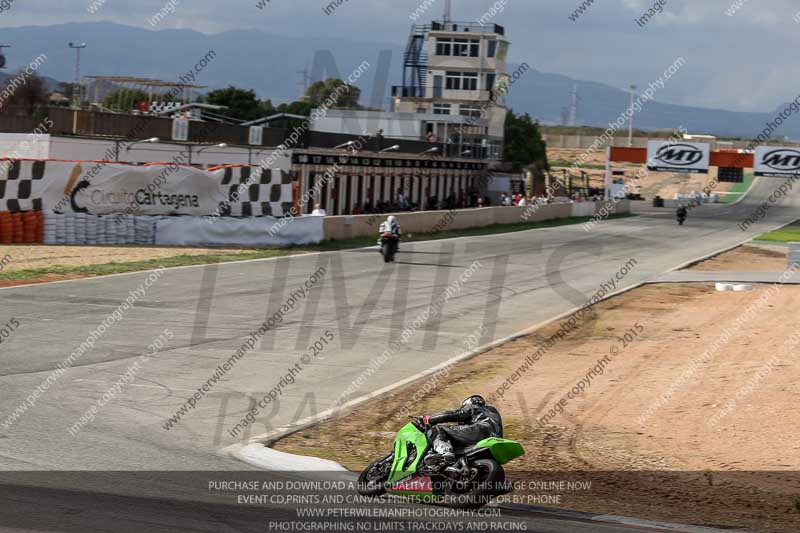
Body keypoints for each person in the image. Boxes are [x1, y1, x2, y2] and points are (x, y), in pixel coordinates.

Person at [420, 395, 503, 467]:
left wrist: (429, 419)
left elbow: (455, 414)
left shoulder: (473, 407)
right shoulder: (492, 411)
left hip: (478, 431)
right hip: (495, 438)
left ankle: (444, 452)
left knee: (437, 429)